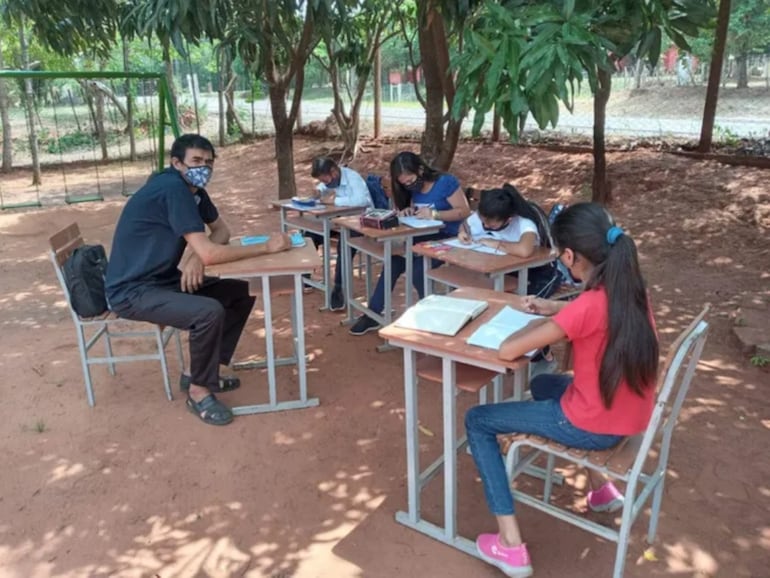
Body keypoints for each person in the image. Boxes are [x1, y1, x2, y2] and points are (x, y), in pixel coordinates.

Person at [464, 202, 659, 577]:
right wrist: (552, 308)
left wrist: (526, 323)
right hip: (627, 414)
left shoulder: (587, 305)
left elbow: (508, 351)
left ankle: (510, 545)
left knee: (478, 420)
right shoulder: (630, 290)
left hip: (589, 425)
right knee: (541, 383)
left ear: (569, 255)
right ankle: (602, 490)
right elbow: (590, 316)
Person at [105, 134, 291, 427]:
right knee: (208, 311)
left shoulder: (195, 191)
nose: (203, 167)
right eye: (196, 161)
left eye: (208, 162)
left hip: (162, 281)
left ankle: (200, 372)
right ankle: (199, 391)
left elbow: (222, 232)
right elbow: (211, 252)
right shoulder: (172, 188)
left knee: (242, 291)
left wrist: (195, 256)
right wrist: (265, 247)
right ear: (176, 162)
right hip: (133, 291)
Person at [349, 151, 471, 335]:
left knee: (418, 271)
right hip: (423, 234)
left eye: (411, 180)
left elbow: (464, 211)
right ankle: (373, 314)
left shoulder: (445, 182)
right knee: (393, 262)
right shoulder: (412, 189)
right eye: (404, 183)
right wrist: (407, 211)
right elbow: (416, 210)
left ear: (421, 169)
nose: (409, 185)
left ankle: (434, 317)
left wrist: (435, 215)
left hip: (449, 237)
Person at [458, 184, 562, 298]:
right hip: (505, 270)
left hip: (537, 273)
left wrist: (494, 243)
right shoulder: (485, 216)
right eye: (483, 222)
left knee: (525, 304)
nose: (485, 225)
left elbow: (524, 250)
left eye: (491, 225)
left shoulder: (525, 223)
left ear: (509, 220)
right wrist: (462, 233)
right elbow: (466, 225)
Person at [306, 157, 373, 311]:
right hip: (340, 220)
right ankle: (305, 276)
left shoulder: (352, 178)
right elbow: (324, 187)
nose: (326, 182)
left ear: (334, 172)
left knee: (345, 245)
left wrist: (334, 202)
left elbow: (361, 200)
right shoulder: (330, 179)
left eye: (325, 179)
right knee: (310, 233)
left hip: (361, 222)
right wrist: (318, 191)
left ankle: (339, 288)